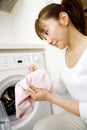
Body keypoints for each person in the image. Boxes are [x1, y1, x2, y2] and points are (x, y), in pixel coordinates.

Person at [25, 0, 87, 129]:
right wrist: (41, 80)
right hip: (83, 118)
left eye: (47, 32)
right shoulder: (64, 56)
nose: (48, 41)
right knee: (40, 127)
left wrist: (50, 98)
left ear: (64, 19)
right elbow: (61, 89)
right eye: (44, 38)